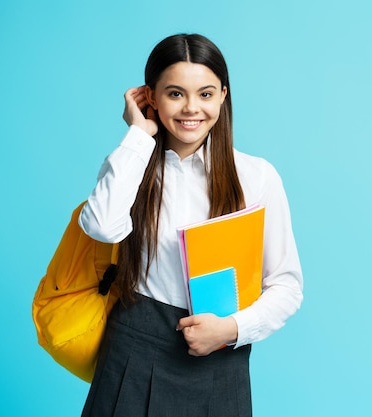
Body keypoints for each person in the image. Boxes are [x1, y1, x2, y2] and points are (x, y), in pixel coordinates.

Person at [78, 33, 303, 417]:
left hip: (218, 357)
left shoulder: (257, 177)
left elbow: (286, 285)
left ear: (223, 96)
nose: (191, 109)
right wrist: (138, 135)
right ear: (150, 97)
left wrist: (232, 329)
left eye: (205, 94)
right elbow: (100, 225)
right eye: (175, 93)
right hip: (133, 349)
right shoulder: (130, 163)